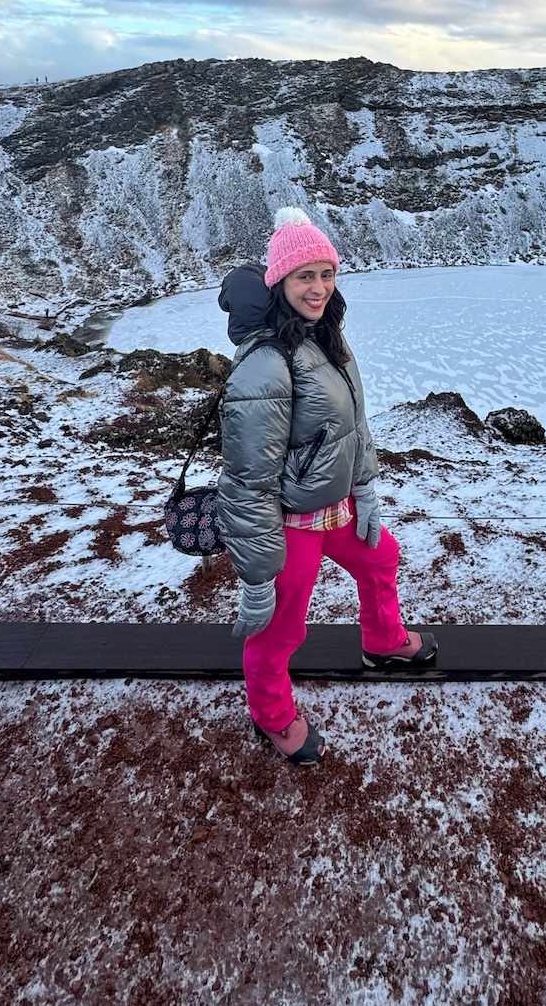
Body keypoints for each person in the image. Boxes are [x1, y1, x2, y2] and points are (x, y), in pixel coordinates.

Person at [215, 208, 437, 765]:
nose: (318, 288)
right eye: (304, 276)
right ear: (279, 283)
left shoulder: (325, 337)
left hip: (334, 503)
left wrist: (365, 487)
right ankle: (271, 713)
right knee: (280, 625)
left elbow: (351, 425)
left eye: (326, 273)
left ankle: (382, 641)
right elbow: (248, 479)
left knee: (380, 557)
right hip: (292, 520)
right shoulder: (266, 362)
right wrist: (258, 576)